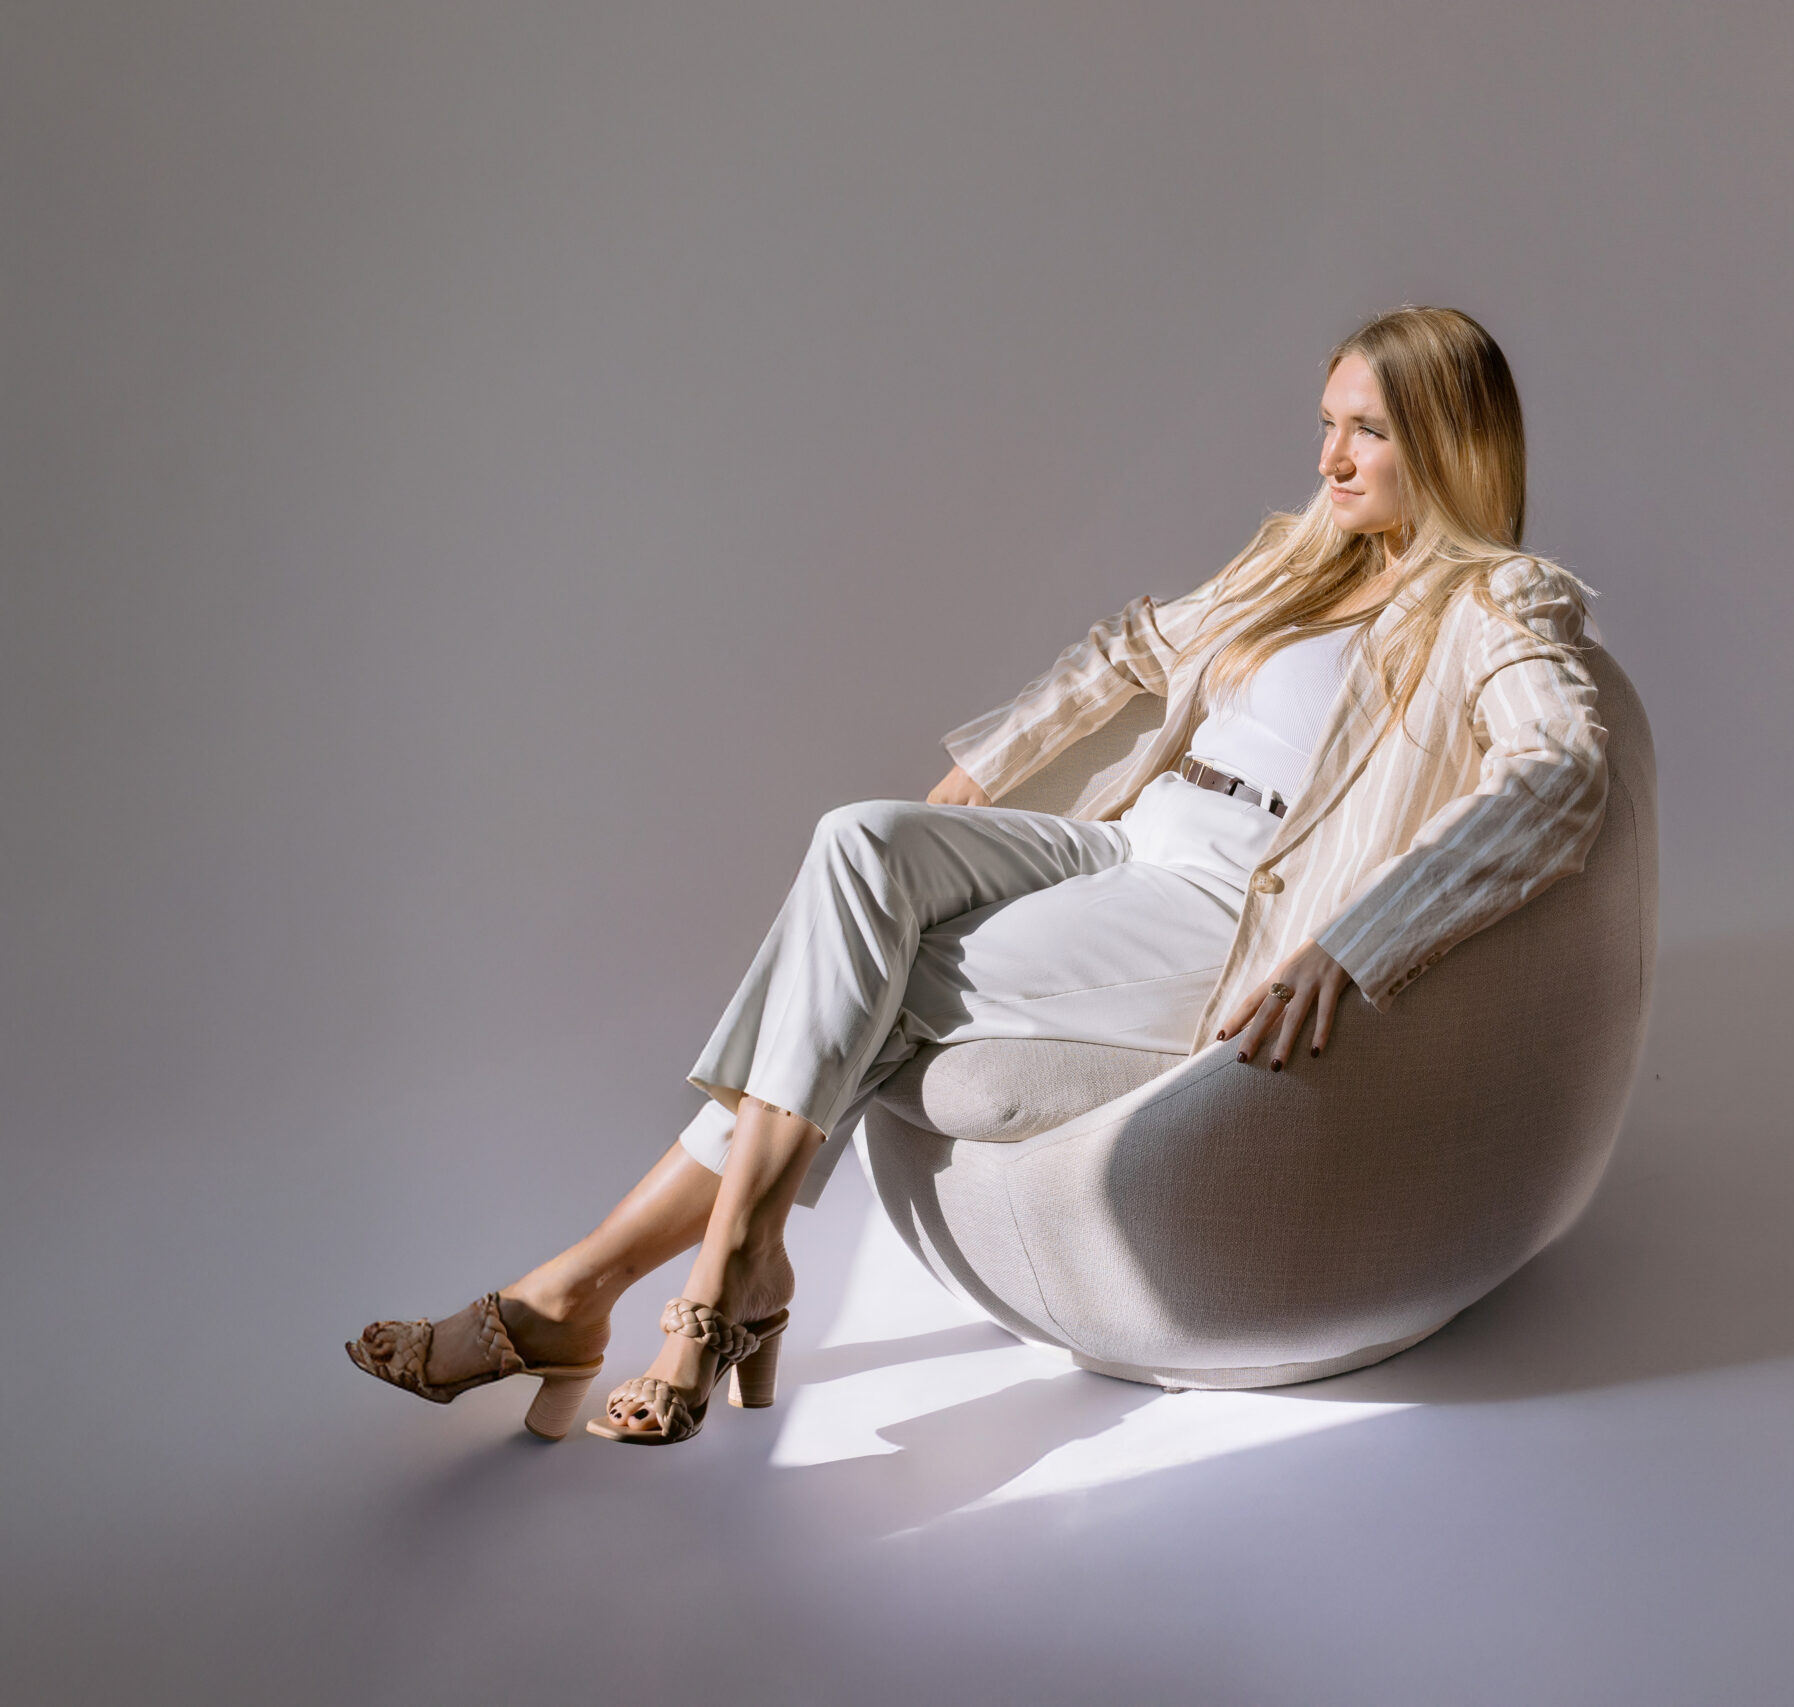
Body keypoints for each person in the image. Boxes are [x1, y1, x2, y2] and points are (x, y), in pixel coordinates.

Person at [347, 305, 1610, 1445]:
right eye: (1325, 424)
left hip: (1236, 897)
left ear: (1446, 441)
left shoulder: (1499, 602)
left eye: (1368, 432)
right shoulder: (1302, 558)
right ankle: (722, 1269)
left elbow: (1560, 774)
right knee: (862, 839)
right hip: (1135, 836)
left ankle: (628, 1288)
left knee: (878, 981)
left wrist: (1361, 938)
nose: (1330, 459)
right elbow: (1128, 650)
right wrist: (994, 763)